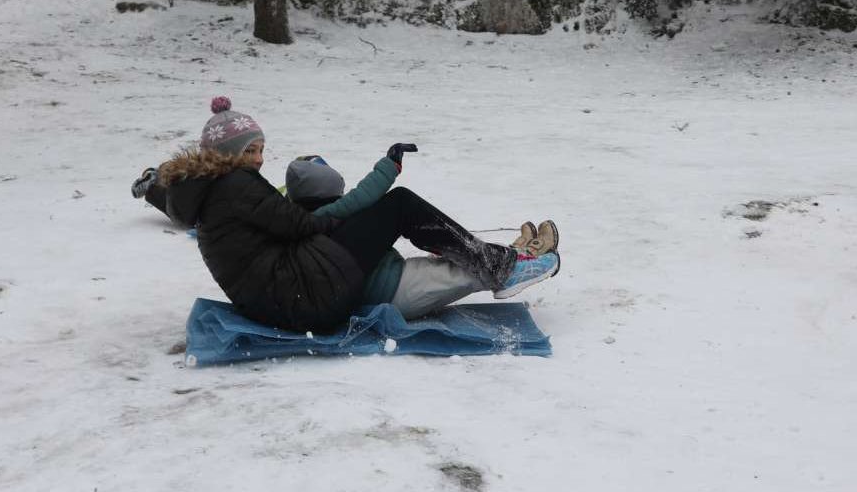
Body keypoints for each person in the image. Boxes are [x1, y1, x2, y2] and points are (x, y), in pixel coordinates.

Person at [147, 96, 561, 335]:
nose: (258, 159)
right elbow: (307, 225)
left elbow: (291, 224)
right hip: (306, 293)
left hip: (287, 294)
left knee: (391, 208)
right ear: (227, 156)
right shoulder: (235, 186)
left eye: (260, 149)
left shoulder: (211, 193)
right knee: (400, 206)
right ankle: (502, 269)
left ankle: (498, 260)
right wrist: (369, 209)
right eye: (249, 151)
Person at [284, 152, 558, 319]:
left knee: (461, 257)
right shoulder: (321, 219)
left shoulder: (306, 218)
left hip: (391, 279)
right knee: (466, 270)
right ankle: (512, 266)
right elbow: (361, 198)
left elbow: (361, 198)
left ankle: (510, 257)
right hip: (392, 291)